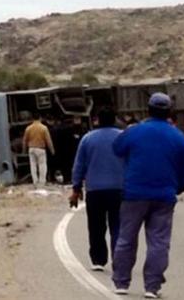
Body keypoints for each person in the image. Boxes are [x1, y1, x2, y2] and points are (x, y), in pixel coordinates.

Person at [111, 93, 184, 298]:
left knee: (126, 238)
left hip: (134, 194)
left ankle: (121, 281)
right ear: (169, 112)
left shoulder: (135, 131)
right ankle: (152, 286)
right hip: (164, 196)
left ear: (148, 110)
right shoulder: (179, 137)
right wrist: (177, 188)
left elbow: (117, 148)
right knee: (159, 242)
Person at [70, 107, 125, 272]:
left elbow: (79, 166)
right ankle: (119, 258)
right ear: (115, 118)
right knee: (118, 226)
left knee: (96, 226)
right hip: (119, 190)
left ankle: (98, 259)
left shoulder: (87, 139)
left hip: (94, 191)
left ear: (97, 120)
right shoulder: (123, 138)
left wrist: (76, 188)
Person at [22, 111, 55, 188]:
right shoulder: (44, 128)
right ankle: (42, 181)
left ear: (32, 119)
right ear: (40, 118)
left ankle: (35, 181)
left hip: (31, 149)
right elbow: (48, 140)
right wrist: (52, 150)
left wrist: (24, 150)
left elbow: (24, 140)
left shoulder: (28, 128)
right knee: (42, 165)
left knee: (33, 165)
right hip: (40, 149)